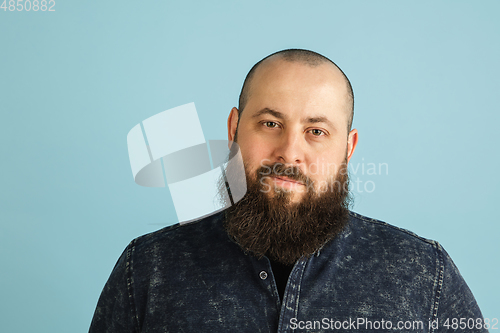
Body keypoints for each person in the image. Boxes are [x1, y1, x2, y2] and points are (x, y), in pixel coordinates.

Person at [90, 49, 486, 332]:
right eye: (269, 123)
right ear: (233, 129)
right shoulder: (148, 268)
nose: (289, 153)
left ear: (347, 149)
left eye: (316, 131)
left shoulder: (423, 273)